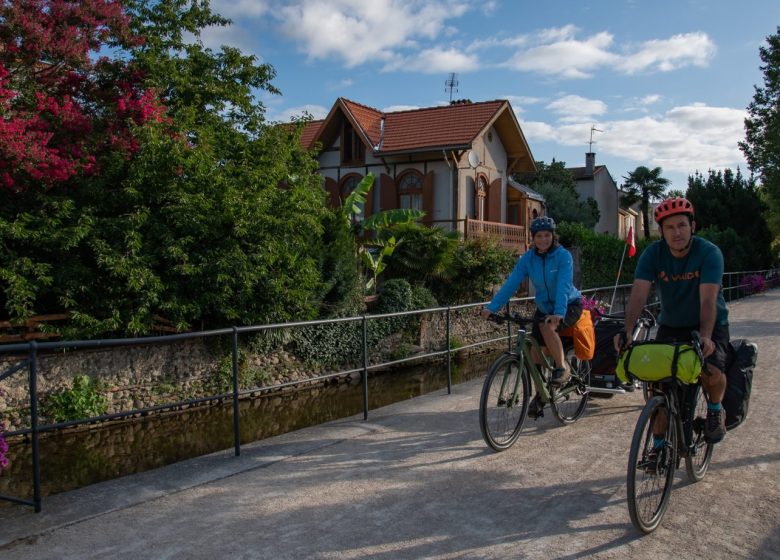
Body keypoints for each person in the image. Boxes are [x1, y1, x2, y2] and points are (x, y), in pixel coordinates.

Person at [615, 196, 729, 459]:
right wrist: (628, 331)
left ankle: (714, 409)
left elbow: (708, 300)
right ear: (662, 232)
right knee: (658, 385)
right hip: (672, 324)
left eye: (681, 225)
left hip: (709, 322)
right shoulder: (653, 254)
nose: (676, 232)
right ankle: (657, 448)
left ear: (693, 227)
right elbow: (638, 295)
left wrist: (706, 336)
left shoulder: (709, 253)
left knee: (710, 370)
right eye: (670, 228)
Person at [481, 215, 583, 390]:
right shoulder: (528, 259)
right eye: (539, 236)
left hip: (568, 304)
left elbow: (564, 285)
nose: (543, 239)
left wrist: (559, 313)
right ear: (533, 238)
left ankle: (561, 368)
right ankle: (540, 395)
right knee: (534, 352)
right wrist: (492, 307)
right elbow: (511, 283)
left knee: (548, 327)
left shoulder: (563, 256)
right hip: (544, 307)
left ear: (553, 236)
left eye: (547, 235)